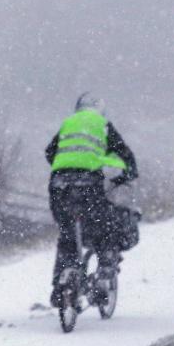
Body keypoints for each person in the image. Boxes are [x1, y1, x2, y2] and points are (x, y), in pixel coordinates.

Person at [45, 93, 138, 307]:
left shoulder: (68, 123)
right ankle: (105, 274)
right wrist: (125, 175)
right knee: (105, 227)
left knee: (67, 234)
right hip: (88, 184)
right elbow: (126, 156)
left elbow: (50, 152)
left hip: (59, 185)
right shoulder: (103, 125)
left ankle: (60, 286)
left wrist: (66, 166)